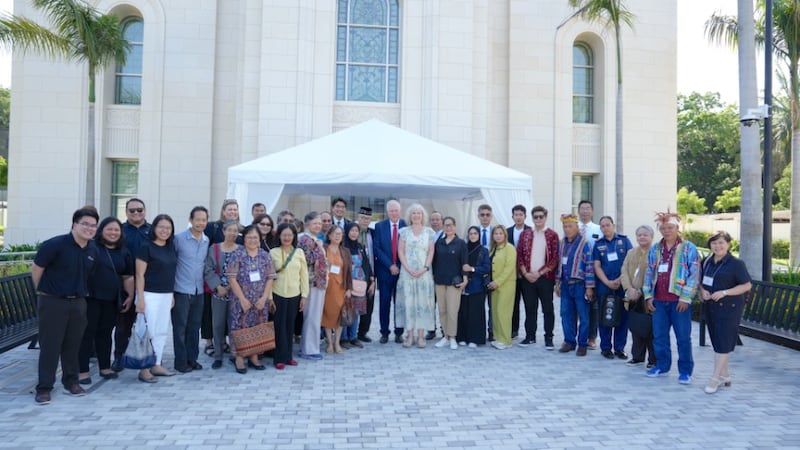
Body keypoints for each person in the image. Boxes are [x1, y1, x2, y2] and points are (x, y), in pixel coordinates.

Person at [31, 207, 99, 404]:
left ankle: (71, 382)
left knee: (73, 345)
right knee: (50, 346)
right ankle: (44, 387)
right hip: (53, 301)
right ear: (74, 224)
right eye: (85, 224)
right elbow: (37, 269)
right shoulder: (55, 245)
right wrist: (43, 292)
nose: (89, 228)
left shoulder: (92, 249)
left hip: (78, 302)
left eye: (93, 226)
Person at [643, 210, 700, 384]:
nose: (666, 231)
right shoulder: (656, 248)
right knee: (659, 336)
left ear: (677, 228)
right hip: (659, 301)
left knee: (683, 337)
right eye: (663, 228)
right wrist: (648, 295)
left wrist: (685, 298)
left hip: (678, 301)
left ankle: (685, 370)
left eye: (670, 227)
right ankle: (662, 365)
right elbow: (649, 272)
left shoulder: (689, 248)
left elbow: (694, 274)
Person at [78, 217, 134, 385]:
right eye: (109, 229)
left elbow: (128, 276)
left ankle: (105, 367)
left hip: (111, 299)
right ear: (101, 230)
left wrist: (130, 296)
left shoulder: (124, 251)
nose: (113, 232)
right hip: (91, 298)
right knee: (87, 334)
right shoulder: (91, 247)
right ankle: (83, 371)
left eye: (116, 230)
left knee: (105, 333)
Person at [699, 230, 752, 394]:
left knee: (723, 342)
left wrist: (725, 292)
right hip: (711, 307)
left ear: (728, 244)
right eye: (714, 243)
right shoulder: (706, 261)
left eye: (721, 242)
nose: (718, 246)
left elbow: (746, 285)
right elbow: (700, 281)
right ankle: (725, 376)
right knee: (717, 341)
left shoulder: (736, 264)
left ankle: (715, 378)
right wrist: (702, 291)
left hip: (729, 309)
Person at [226, 225, 277, 373]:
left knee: (257, 326)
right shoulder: (237, 254)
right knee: (239, 327)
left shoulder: (264, 255)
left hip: (260, 300)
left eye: (255, 237)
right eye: (249, 237)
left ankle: (254, 356)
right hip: (240, 300)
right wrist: (242, 299)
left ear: (260, 239)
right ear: (244, 239)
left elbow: (270, 278)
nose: (252, 240)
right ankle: (240, 358)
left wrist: (264, 298)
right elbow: (231, 278)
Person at [135, 214, 179, 383]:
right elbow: (139, 275)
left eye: (168, 228)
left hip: (166, 295)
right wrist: (140, 299)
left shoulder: (170, 247)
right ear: (154, 228)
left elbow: (171, 273)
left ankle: (157, 363)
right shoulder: (146, 247)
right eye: (161, 227)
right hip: (149, 295)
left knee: (161, 331)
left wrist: (172, 294)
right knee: (148, 332)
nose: (164, 231)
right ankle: (144, 368)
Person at [112, 198, 152, 372]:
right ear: (126, 212)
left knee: (148, 323)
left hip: (149, 284)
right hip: (124, 283)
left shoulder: (153, 231)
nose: (136, 213)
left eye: (140, 210)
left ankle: (148, 357)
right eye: (132, 210)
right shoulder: (119, 231)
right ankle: (119, 356)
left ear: (145, 210)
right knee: (123, 324)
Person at [172, 206, 210, 373]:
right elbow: (171, 263)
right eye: (198, 219)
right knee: (180, 328)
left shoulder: (206, 240)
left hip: (199, 291)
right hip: (181, 290)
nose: (201, 222)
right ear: (190, 219)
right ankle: (180, 362)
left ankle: (192, 359)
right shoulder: (178, 239)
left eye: (204, 220)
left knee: (194, 327)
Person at [516, 205, 559, 349]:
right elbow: (520, 256)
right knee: (530, 308)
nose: (538, 219)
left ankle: (549, 338)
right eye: (536, 217)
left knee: (547, 309)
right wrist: (526, 273)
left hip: (545, 278)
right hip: (528, 278)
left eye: (541, 216)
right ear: (532, 218)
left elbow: (554, 259)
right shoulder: (525, 234)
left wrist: (539, 273)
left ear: (546, 217)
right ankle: (530, 336)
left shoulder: (552, 235)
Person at [201, 199, 241, 355]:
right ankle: (213, 346)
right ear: (223, 211)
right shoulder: (213, 228)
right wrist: (217, 286)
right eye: (229, 209)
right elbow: (208, 264)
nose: (232, 212)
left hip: (235, 287)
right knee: (213, 318)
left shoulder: (241, 235)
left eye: (235, 209)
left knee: (233, 321)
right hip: (216, 285)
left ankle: (232, 349)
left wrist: (233, 286)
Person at [555, 213, 595, 356]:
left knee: (583, 316)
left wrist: (589, 287)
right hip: (565, 284)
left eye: (570, 226)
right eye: (565, 226)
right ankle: (569, 341)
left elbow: (589, 265)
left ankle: (582, 343)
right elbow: (559, 264)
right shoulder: (562, 243)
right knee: (566, 314)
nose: (567, 229)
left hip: (580, 285)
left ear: (576, 227)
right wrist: (557, 283)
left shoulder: (585, 243)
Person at [269, 223, 308, 369]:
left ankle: (288, 356)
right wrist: (269, 298)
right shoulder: (273, 253)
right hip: (277, 294)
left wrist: (304, 296)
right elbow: (269, 277)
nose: (287, 238)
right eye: (284, 235)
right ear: (279, 236)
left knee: (290, 326)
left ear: (294, 237)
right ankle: (278, 358)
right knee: (279, 326)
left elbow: (303, 275)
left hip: (295, 294)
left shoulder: (299, 253)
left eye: (289, 235)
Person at [593, 216, 633, 360]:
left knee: (623, 317)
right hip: (604, 286)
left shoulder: (624, 241)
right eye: (602, 226)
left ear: (613, 225)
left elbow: (630, 263)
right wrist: (608, 282)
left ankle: (619, 348)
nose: (605, 228)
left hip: (623, 284)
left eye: (607, 225)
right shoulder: (598, 245)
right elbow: (597, 266)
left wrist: (619, 280)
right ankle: (605, 348)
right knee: (605, 315)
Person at [396, 204, 436, 348]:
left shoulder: (429, 232)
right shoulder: (404, 232)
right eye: (414, 213)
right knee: (409, 304)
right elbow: (400, 251)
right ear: (410, 216)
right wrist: (407, 268)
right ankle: (410, 336)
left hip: (424, 274)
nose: (416, 215)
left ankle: (421, 336)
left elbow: (431, 251)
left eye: (419, 213)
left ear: (422, 215)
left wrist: (425, 268)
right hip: (407, 274)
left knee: (422, 303)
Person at [620, 225, 657, 368]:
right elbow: (624, 271)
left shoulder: (655, 253)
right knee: (635, 327)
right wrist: (629, 289)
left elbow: (656, 275)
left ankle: (653, 359)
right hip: (631, 297)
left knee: (650, 330)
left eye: (645, 235)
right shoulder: (631, 253)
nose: (642, 237)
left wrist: (642, 291)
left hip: (648, 297)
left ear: (651, 237)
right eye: (639, 235)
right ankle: (637, 357)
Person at [373, 200, 407, 343]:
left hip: (402, 271)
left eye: (396, 210)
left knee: (400, 304)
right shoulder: (379, 226)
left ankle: (399, 332)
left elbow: (408, 248)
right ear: (387, 212)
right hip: (385, 272)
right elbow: (377, 248)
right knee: (384, 303)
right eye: (391, 211)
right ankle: (384, 332)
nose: (394, 213)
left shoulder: (406, 226)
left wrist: (399, 265)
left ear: (400, 211)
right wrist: (390, 266)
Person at [432, 216, 467, 350]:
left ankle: (452, 337)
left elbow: (464, 262)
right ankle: (445, 336)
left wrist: (465, 278)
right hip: (440, 281)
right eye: (446, 225)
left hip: (454, 282)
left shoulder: (461, 243)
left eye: (451, 225)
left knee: (452, 311)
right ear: (443, 227)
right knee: (442, 310)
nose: (449, 227)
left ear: (455, 226)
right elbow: (434, 262)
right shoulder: (439, 243)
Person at [296, 212, 328, 360]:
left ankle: (310, 346)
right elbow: (306, 260)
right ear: (307, 224)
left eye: (319, 223)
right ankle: (308, 348)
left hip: (318, 283)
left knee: (315, 316)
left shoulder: (315, 239)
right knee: (311, 316)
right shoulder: (305, 240)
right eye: (315, 223)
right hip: (311, 282)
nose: (318, 226)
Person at [456, 226, 491, 347]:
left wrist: (472, 269)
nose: (473, 236)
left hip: (477, 286)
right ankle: (462, 337)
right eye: (470, 233)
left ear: (479, 235)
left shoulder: (483, 250)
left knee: (475, 313)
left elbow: (487, 267)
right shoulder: (463, 248)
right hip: (463, 285)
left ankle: (475, 339)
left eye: (475, 233)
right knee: (463, 312)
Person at [322, 225, 353, 353]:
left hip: (341, 287)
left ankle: (337, 342)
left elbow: (349, 272)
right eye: (335, 234)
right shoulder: (323, 249)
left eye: (339, 234)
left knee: (340, 315)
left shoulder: (345, 251)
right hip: (327, 288)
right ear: (329, 235)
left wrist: (349, 288)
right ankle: (329, 343)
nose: (337, 236)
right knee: (328, 315)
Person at [487, 225, 517, 350]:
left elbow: (509, 268)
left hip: (505, 284)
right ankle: (498, 337)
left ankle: (506, 340)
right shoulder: (494, 248)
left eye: (500, 233)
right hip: (494, 285)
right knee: (495, 311)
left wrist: (497, 282)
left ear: (505, 235)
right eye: (495, 233)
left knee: (503, 311)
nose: (498, 236)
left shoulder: (509, 248)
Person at [343, 222, 372, 349]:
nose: (354, 233)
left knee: (356, 310)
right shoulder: (342, 246)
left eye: (356, 231)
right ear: (347, 232)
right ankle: (343, 338)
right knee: (345, 310)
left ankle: (353, 337)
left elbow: (366, 263)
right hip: (347, 281)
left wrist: (371, 279)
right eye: (352, 231)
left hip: (360, 282)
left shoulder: (360, 246)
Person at [577, 200, 601, 350]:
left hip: (594, 273)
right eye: (582, 208)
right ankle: (573, 337)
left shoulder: (598, 229)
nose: (585, 211)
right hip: (577, 274)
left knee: (593, 307)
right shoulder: (573, 228)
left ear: (592, 211)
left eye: (587, 208)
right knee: (577, 308)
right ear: (578, 211)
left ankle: (592, 337)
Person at [507, 204, 531, 339]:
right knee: (513, 303)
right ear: (512, 216)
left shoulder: (531, 231)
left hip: (526, 274)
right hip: (511, 274)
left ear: (525, 216)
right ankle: (513, 329)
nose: (518, 217)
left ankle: (529, 332)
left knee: (529, 303)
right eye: (516, 214)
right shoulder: (507, 231)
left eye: (521, 214)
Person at [356, 207, 377, 342]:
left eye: (367, 218)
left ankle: (363, 332)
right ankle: (350, 332)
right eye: (362, 218)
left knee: (369, 304)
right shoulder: (352, 232)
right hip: (355, 275)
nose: (365, 220)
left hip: (371, 274)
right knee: (354, 304)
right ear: (358, 218)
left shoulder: (373, 233)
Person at [476, 204, 494, 341]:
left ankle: (492, 332)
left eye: (488, 215)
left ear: (491, 216)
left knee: (493, 305)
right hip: (477, 275)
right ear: (478, 216)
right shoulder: (472, 232)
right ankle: (479, 332)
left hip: (494, 274)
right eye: (482, 215)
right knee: (478, 305)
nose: (485, 217)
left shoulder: (497, 232)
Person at [426, 210, 445, 340]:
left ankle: (445, 329)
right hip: (428, 275)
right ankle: (431, 330)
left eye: (437, 219)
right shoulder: (427, 235)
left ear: (442, 221)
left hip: (442, 275)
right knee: (429, 304)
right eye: (432, 219)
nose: (435, 222)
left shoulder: (447, 235)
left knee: (443, 305)